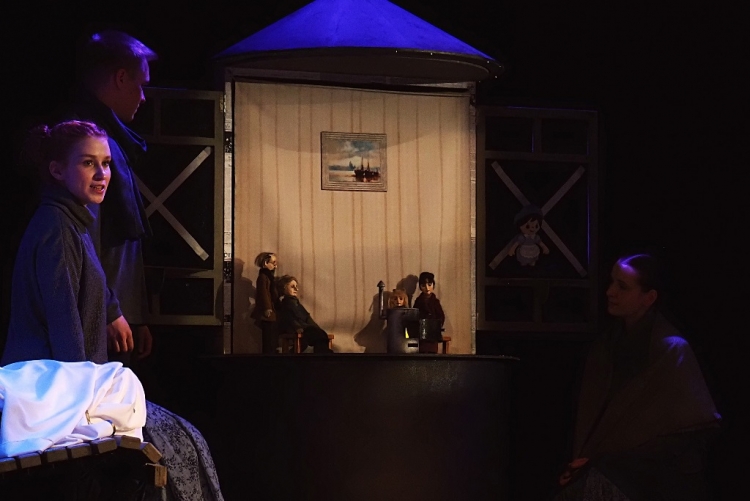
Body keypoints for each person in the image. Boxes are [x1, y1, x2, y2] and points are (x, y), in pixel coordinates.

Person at [556, 253, 721, 501]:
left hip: (659, 479)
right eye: (612, 282)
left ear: (649, 297)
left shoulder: (671, 350)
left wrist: (598, 464)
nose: (610, 292)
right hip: (610, 468)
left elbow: (683, 434)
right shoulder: (605, 347)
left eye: (622, 286)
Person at [68, 29, 156, 363]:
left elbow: (125, 244)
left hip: (115, 313)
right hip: (98, 317)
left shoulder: (113, 141)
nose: (143, 97)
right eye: (141, 84)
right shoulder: (87, 143)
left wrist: (136, 313)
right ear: (120, 78)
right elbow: (83, 238)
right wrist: (109, 309)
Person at [276, 275, 334, 353]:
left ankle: (322, 351)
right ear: (284, 288)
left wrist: (316, 327)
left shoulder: (296, 303)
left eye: (296, 286)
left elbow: (307, 316)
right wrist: (298, 327)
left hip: (305, 327)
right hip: (295, 328)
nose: (296, 289)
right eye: (292, 287)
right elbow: (289, 318)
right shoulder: (285, 304)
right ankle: (322, 352)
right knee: (314, 334)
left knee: (320, 333)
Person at [251, 252, 279, 353]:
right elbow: (263, 293)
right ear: (266, 263)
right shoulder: (263, 277)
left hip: (271, 310)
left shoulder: (268, 277)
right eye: (273, 263)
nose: (276, 266)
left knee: (271, 335)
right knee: (268, 336)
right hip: (268, 312)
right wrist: (267, 308)